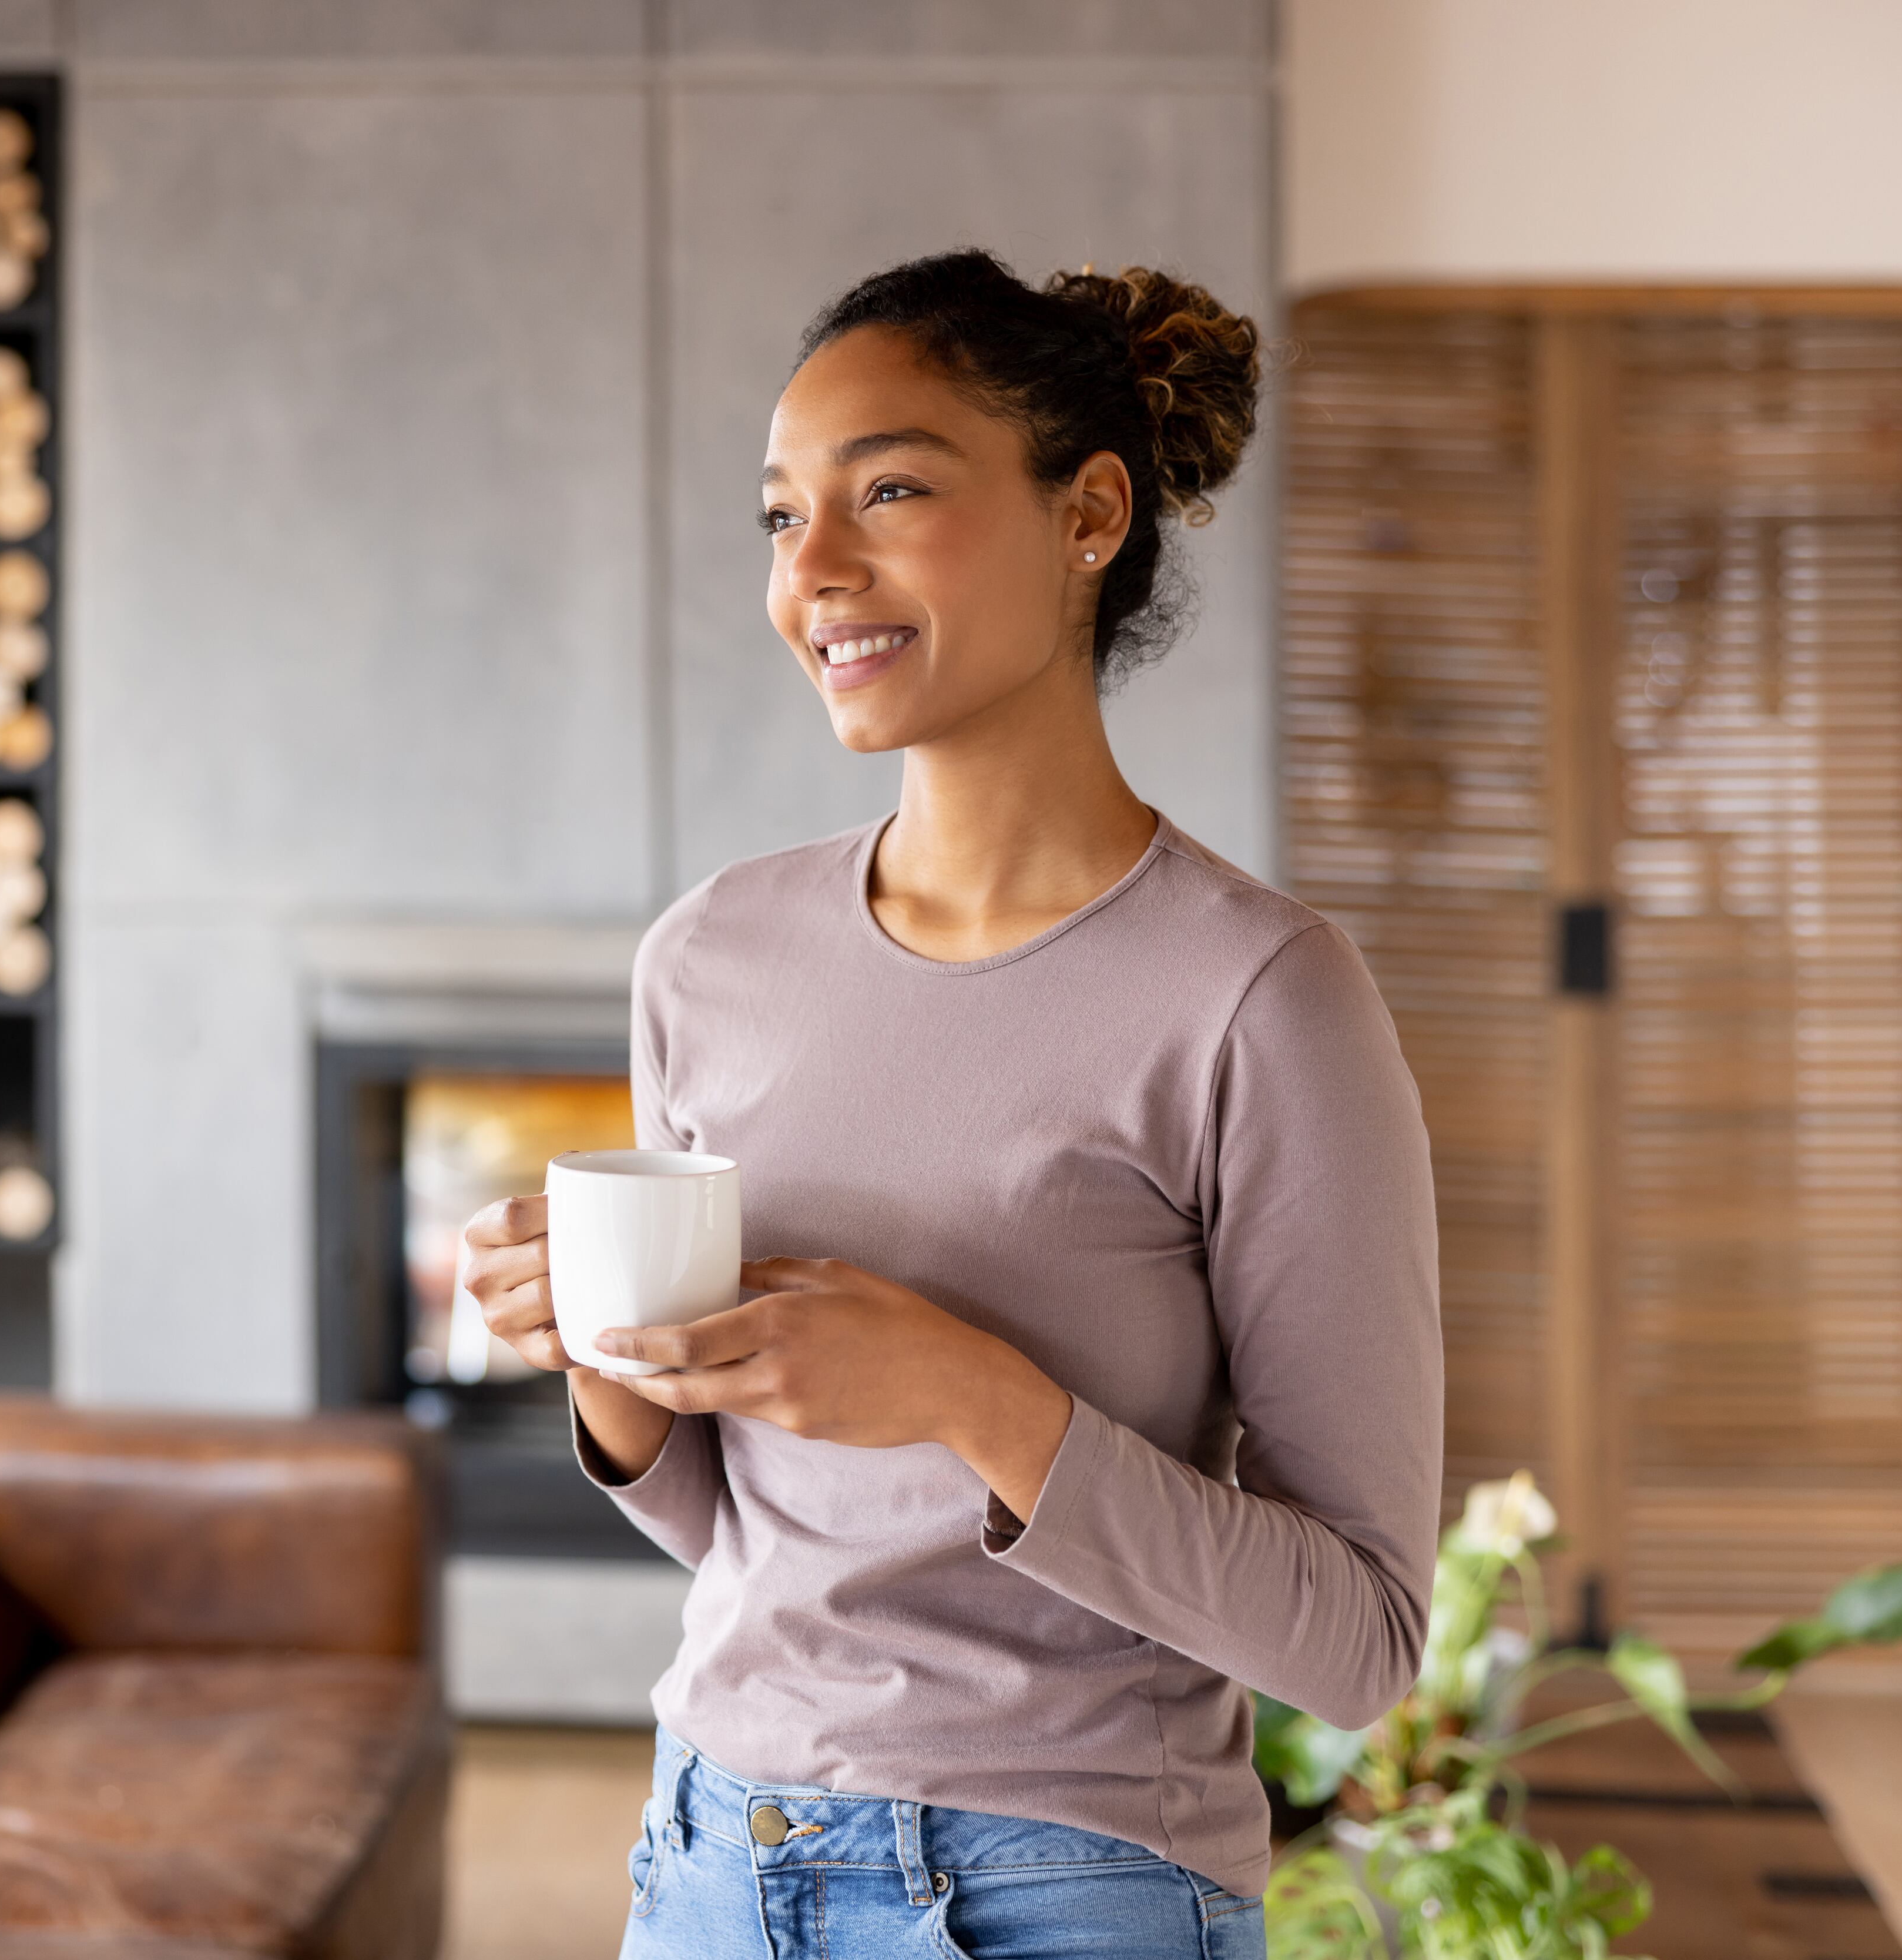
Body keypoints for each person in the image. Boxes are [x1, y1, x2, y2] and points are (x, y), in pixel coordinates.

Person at [462, 249, 1442, 1960]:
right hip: (708, 1844)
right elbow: (739, 1525)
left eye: (891, 490)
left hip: (1070, 1883)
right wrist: (607, 1369)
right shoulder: (711, 954)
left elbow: (1357, 1639)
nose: (814, 572)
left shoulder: (1261, 1001)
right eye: (781, 519)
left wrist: (978, 1400)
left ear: (1091, 518)